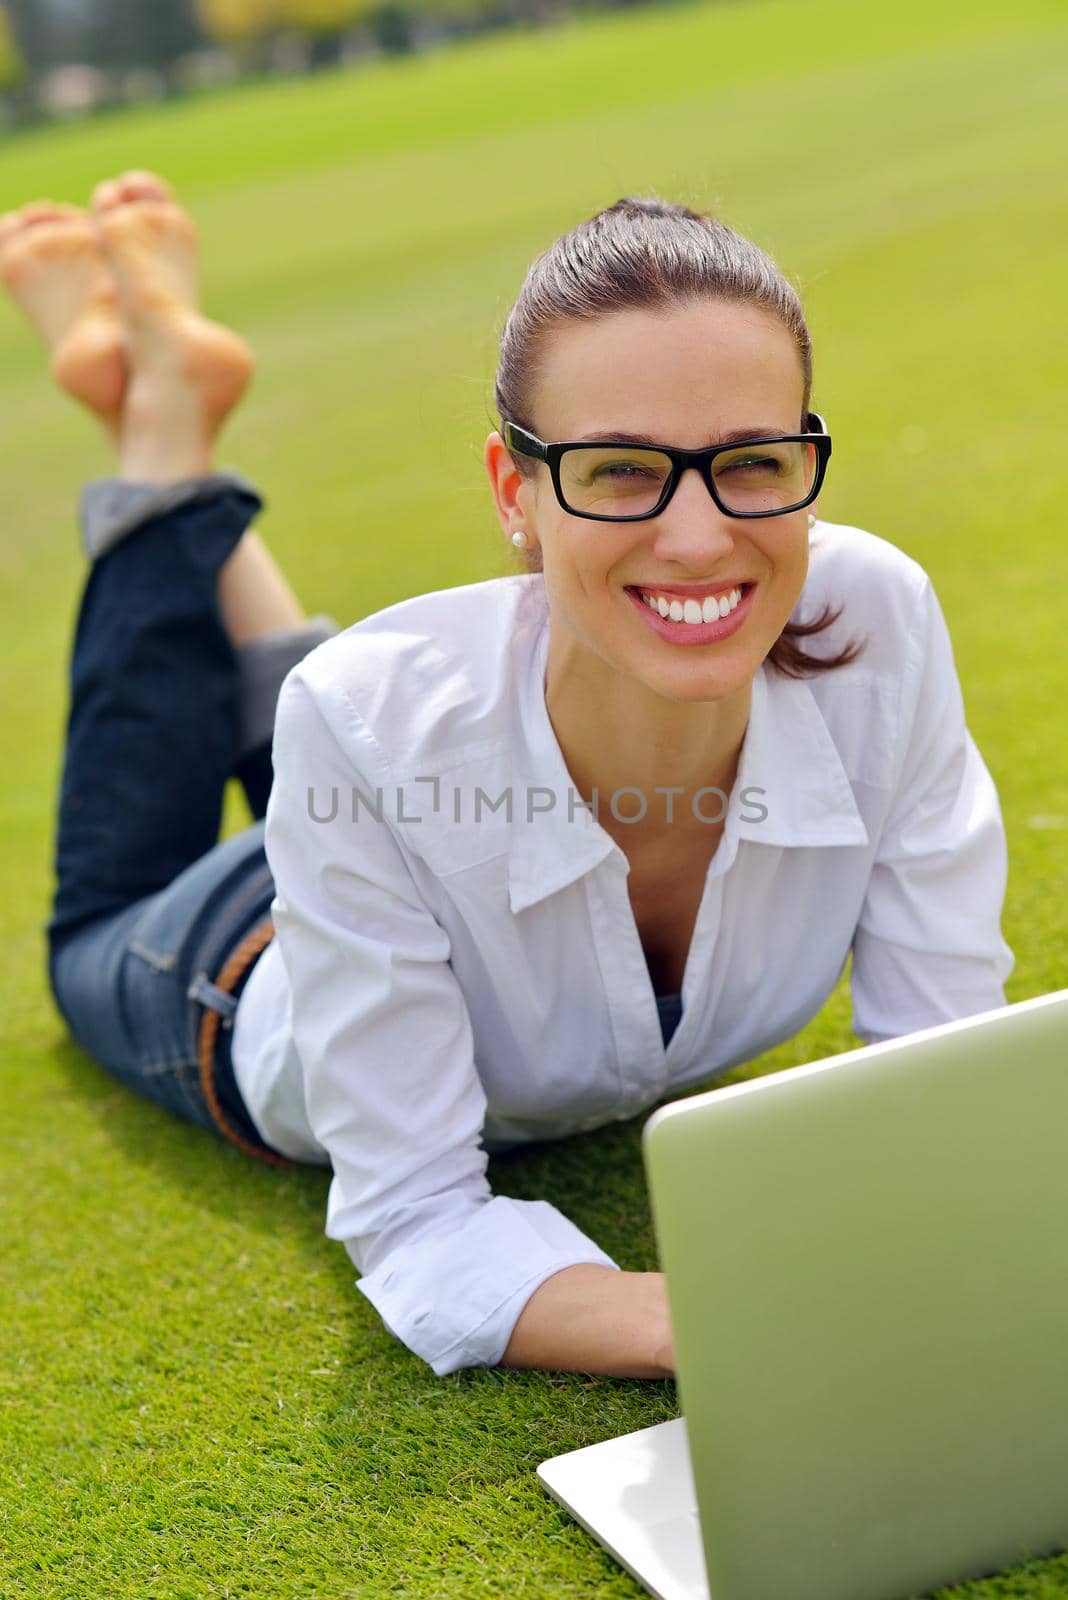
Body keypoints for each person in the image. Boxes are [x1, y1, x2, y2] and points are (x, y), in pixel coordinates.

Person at [6, 172, 1013, 1383]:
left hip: (392, 803)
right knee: (103, 920)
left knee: (368, 740)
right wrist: (726, 1319)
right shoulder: (366, 722)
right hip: (238, 968)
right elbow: (419, 1221)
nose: (698, 536)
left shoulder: (877, 626)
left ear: (806, 457)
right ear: (513, 492)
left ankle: (173, 424)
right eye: (620, 471)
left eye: (750, 461)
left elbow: (946, 1083)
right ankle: (163, 432)